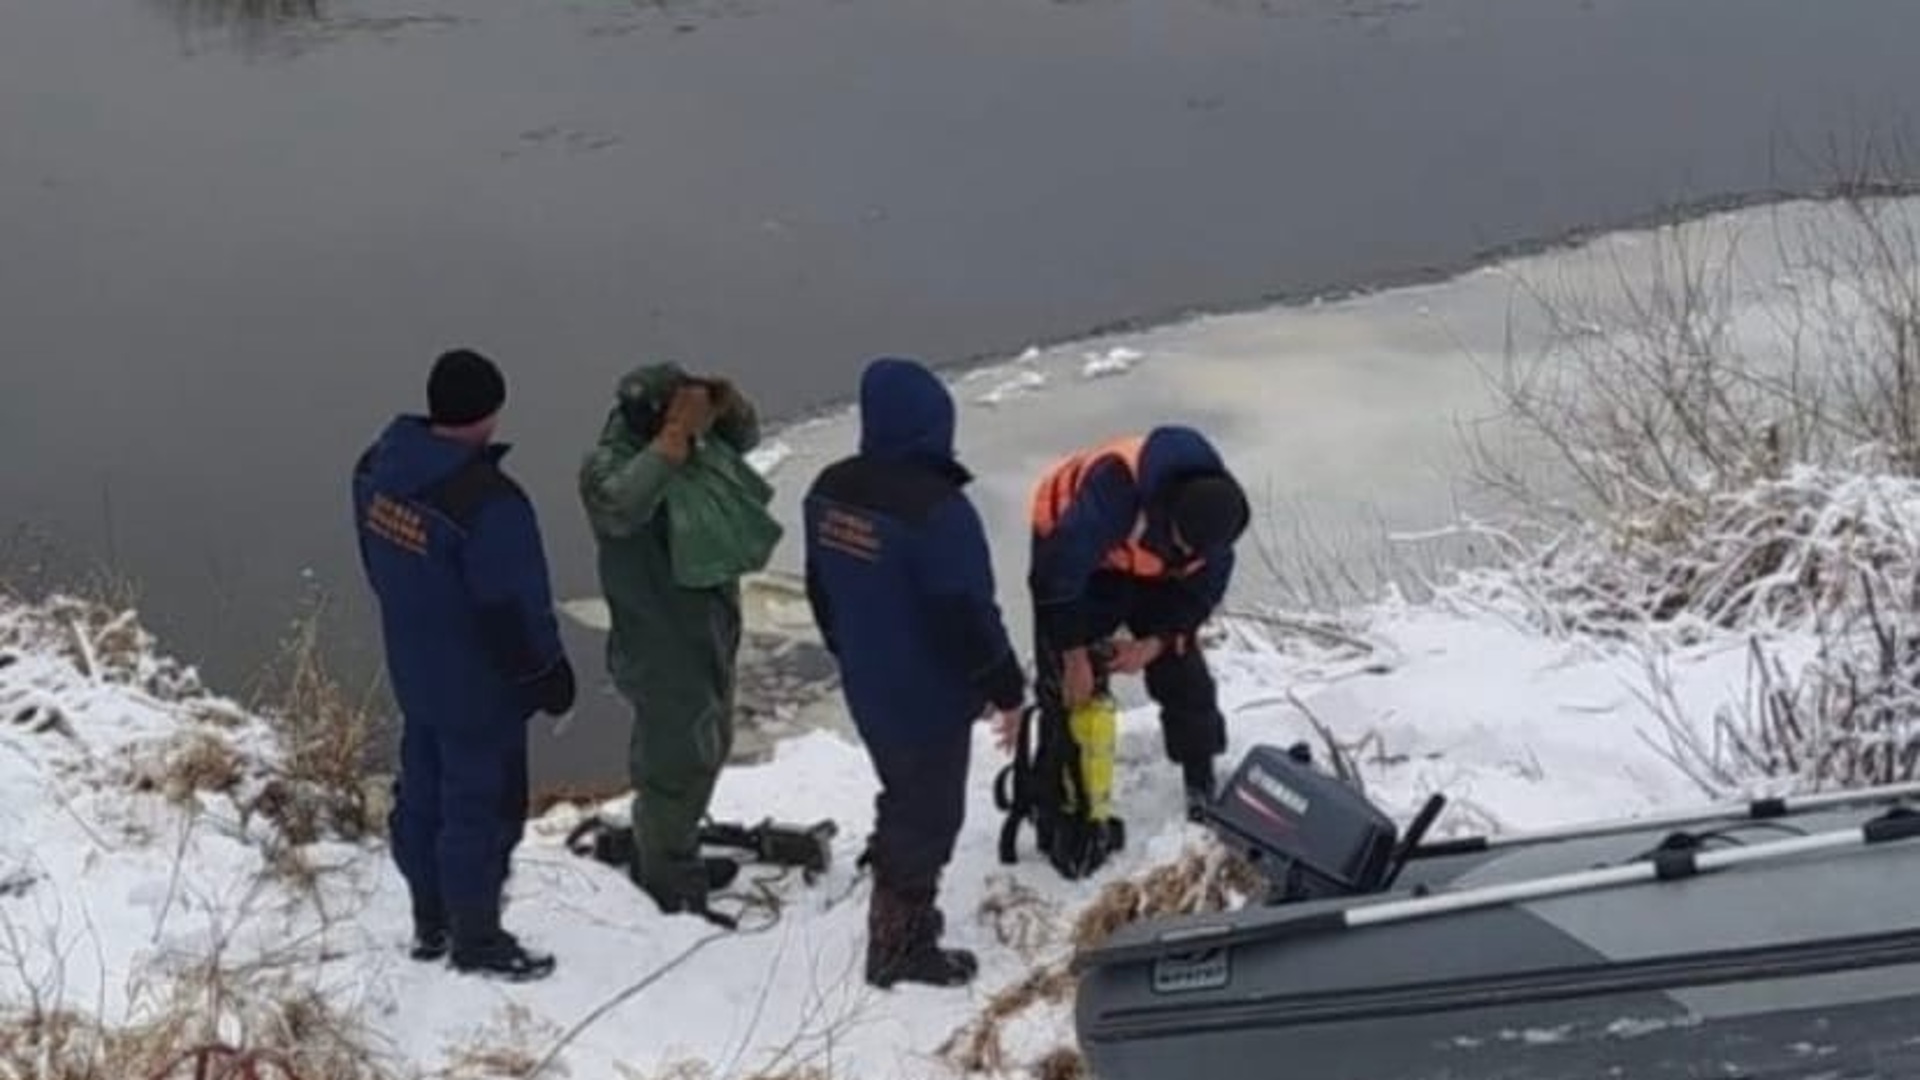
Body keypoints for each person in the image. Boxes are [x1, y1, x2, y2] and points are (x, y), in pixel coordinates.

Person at [802, 357, 1026, 989]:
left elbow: (820, 588)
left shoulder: (828, 488)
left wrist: (846, 648)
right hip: (926, 696)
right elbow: (968, 613)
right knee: (929, 816)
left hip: (868, 678)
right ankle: (900, 945)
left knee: (903, 787)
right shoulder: (939, 511)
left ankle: (892, 857)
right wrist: (1004, 687)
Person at [352, 348, 575, 981]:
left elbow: (377, 565)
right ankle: (476, 938)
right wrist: (548, 678)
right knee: (481, 808)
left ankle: (432, 920)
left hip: (415, 667)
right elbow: (513, 607)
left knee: (422, 794)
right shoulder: (488, 502)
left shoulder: (377, 468)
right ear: (491, 414)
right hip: (480, 688)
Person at [1013, 426, 1250, 880]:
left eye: (1196, 552)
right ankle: (1063, 807)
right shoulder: (1114, 490)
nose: (1191, 556)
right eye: (1184, 546)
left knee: (1184, 670)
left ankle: (1201, 781)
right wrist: (1074, 654)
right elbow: (1054, 579)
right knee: (1067, 689)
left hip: (1146, 566)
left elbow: (1197, 598)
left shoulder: (1213, 532)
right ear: (1168, 516)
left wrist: (1154, 643)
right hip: (1073, 558)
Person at [578, 362, 762, 923]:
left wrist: (726, 404)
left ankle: (671, 850)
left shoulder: (692, 445)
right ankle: (668, 884)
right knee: (673, 763)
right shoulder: (610, 465)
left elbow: (745, 439)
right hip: (657, 640)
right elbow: (621, 505)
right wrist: (674, 440)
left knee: (705, 746)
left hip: (704, 627)